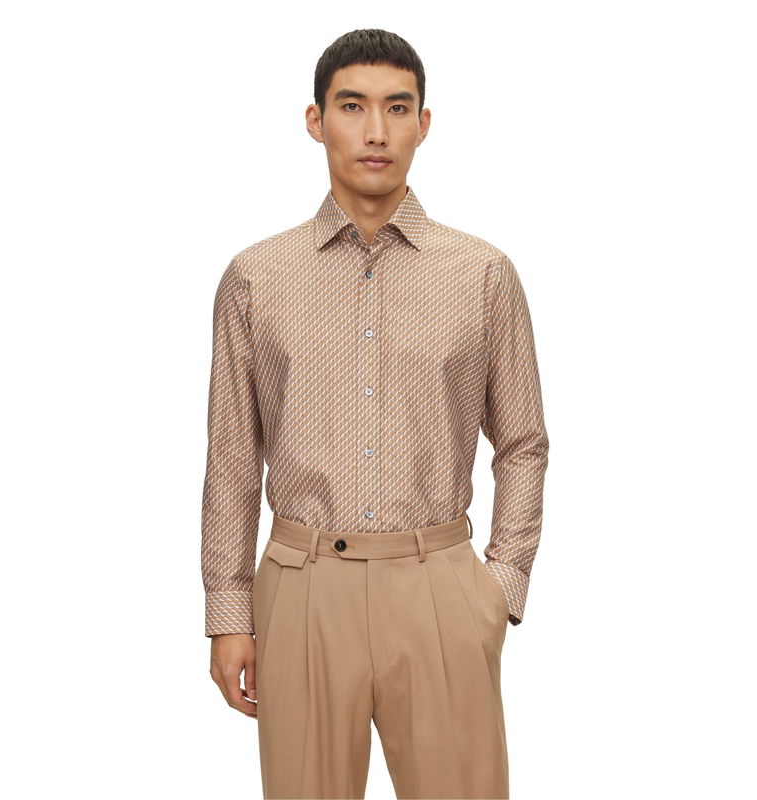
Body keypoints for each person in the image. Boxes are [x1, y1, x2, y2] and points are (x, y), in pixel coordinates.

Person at [200, 28, 549, 800]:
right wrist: (227, 611)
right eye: (353, 106)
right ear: (316, 120)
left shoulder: (482, 274)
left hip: (439, 586)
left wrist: (500, 585)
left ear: (424, 123)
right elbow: (232, 457)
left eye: (397, 108)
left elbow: (523, 441)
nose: (376, 131)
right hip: (302, 588)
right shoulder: (256, 278)